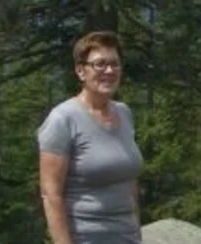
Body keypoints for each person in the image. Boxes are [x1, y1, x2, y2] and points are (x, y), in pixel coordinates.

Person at [38, 31, 144, 244]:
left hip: (127, 236)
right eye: (100, 64)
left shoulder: (124, 113)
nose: (109, 70)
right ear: (81, 71)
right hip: (86, 237)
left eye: (115, 64)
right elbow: (51, 195)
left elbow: (129, 182)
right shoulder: (63, 119)